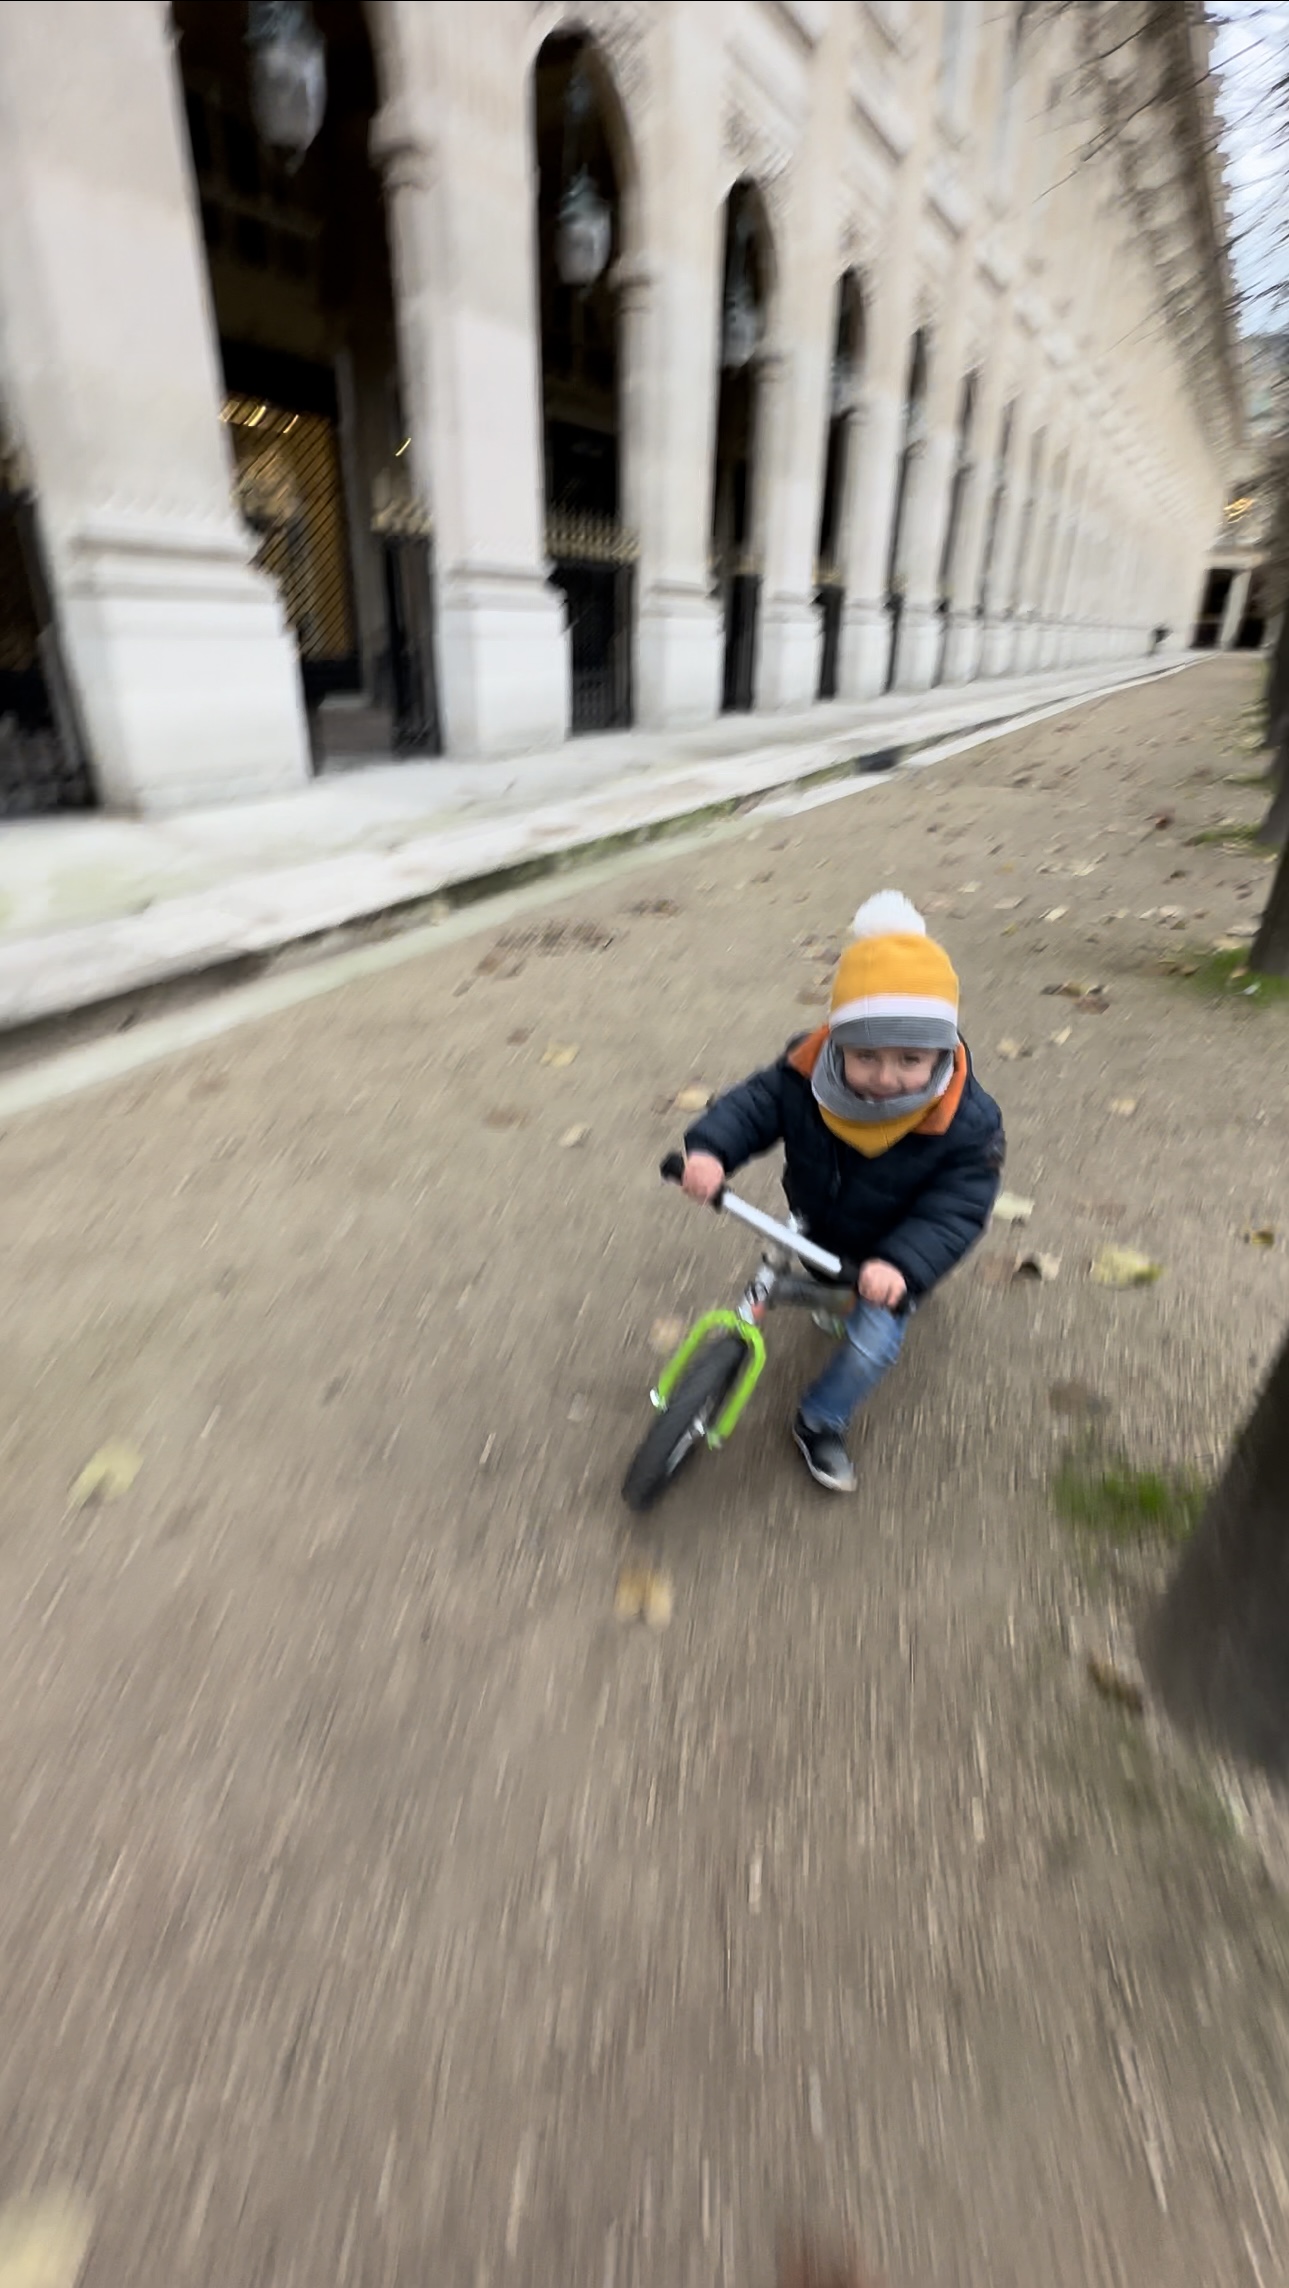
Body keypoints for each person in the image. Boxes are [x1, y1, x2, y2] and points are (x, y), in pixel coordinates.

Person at [680, 891, 1005, 1492]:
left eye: (910, 1058)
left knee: (868, 1347)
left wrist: (903, 1263)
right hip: (818, 1222)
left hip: (888, 1252)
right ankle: (810, 1312)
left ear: (942, 1049)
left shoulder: (967, 1121)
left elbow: (959, 1204)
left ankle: (819, 1420)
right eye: (865, 1056)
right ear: (835, 1042)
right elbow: (755, 1106)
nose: (886, 1078)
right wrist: (709, 1150)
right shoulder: (806, 1073)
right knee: (805, 1283)